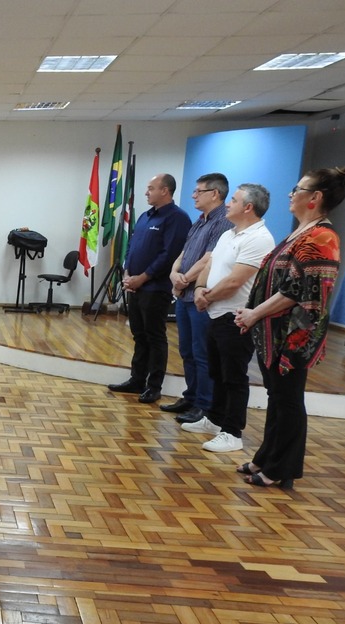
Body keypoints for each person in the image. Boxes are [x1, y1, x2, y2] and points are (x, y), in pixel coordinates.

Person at [233, 166, 345, 489]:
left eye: (297, 189)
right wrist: (251, 312)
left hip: (294, 339)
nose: (291, 194)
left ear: (314, 198)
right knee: (277, 398)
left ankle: (281, 468)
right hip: (275, 336)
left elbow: (297, 293)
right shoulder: (301, 231)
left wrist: (254, 313)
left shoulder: (323, 237)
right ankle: (266, 456)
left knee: (288, 402)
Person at [189, 183, 275, 453]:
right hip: (216, 312)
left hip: (236, 316)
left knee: (234, 377)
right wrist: (200, 290)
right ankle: (214, 420)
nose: (228, 203)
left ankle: (232, 432)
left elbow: (236, 280)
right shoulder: (229, 233)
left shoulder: (259, 238)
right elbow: (210, 264)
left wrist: (207, 297)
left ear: (248, 207)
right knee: (217, 371)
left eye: (234, 200)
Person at [107, 174, 192, 403]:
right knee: (139, 335)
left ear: (165, 191)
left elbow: (170, 255)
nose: (146, 192)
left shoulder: (177, 218)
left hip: (155, 287)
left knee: (155, 336)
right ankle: (137, 379)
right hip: (135, 285)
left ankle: (154, 386)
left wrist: (143, 277)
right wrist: (126, 272)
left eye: (151, 188)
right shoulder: (145, 216)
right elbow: (131, 247)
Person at [162, 174, 234, 425]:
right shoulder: (199, 220)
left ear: (214, 193)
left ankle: (204, 405)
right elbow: (184, 252)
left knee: (202, 353)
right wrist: (174, 273)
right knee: (187, 350)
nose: (193, 195)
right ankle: (191, 396)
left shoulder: (223, 221)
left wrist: (185, 280)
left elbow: (209, 258)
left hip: (198, 296)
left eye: (198, 191)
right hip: (184, 294)